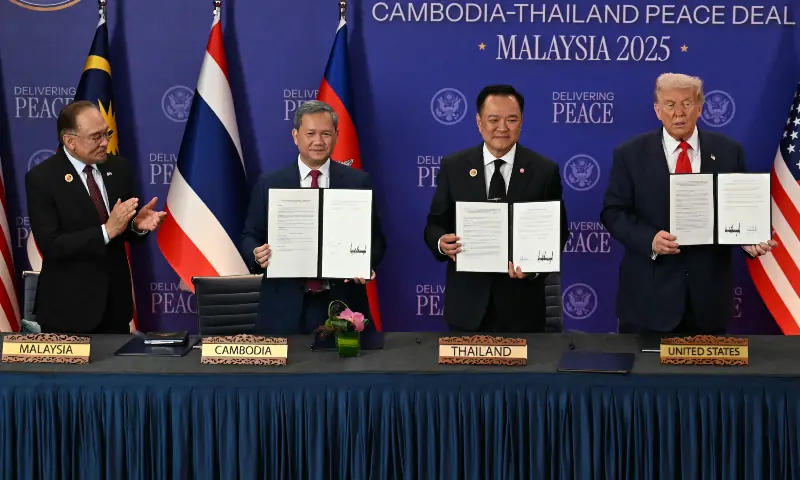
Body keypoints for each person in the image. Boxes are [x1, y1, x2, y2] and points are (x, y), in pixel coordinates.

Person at [601, 73, 778, 335]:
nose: (678, 112)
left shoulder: (730, 152)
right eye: (670, 105)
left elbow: (739, 210)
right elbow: (613, 213)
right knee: (646, 376)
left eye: (687, 103)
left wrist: (749, 239)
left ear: (700, 108)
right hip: (647, 301)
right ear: (657, 110)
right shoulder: (629, 154)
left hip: (708, 301)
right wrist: (649, 238)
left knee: (705, 375)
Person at [424, 85, 569, 333]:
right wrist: (440, 242)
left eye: (511, 120)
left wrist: (533, 269)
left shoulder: (544, 171)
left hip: (521, 307)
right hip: (467, 306)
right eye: (493, 120)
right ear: (479, 122)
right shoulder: (454, 167)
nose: (502, 128)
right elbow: (435, 224)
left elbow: (558, 233)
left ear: (521, 122)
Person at [240, 100, 386, 335]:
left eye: (326, 134)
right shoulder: (270, 183)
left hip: (342, 304)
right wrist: (257, 254)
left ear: (337, 136)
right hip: (282, 307)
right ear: (296, 135)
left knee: (347, 371)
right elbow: (250, 236)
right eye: (310, 133)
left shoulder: (358, 182)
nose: (318, 141)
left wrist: (365, 264)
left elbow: (376, 242)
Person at [25, 101, 166, 334]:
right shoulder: (42, 179)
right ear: (70, 141)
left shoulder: (119, 168)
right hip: (68, 310)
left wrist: (137, 225)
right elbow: (52, 245)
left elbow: (124, 232)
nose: (104, 142)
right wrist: (106, 231)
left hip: (115, 307)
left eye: (106, 133)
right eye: (95, 136)